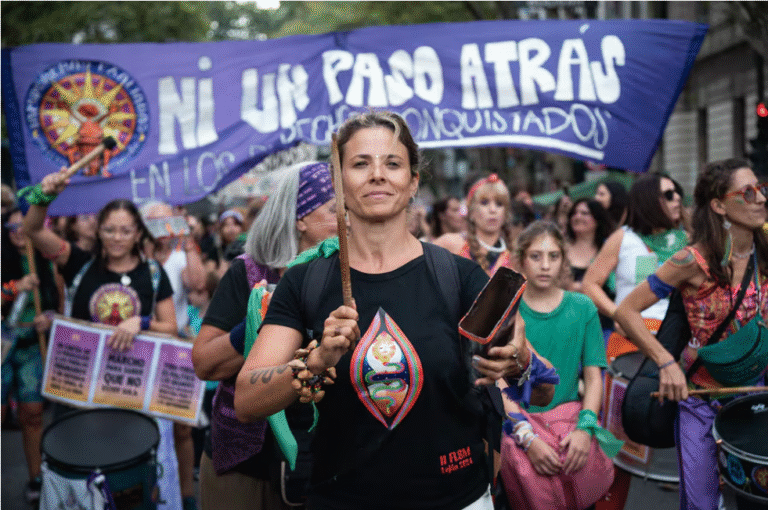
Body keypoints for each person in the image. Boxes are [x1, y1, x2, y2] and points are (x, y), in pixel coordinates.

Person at [234, 111, 555, 510]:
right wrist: (316, 361)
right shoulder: (305, 283)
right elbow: (247, 402)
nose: (377, 175)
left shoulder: (459, 277)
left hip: (457, 499)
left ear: (413, 181)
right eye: (360, 164)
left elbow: (543, 390)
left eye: (392, 163)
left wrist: (518, 359)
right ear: (338, 182)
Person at [615, 158, 768, 510]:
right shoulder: (691, 261)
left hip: (754, 397)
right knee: (701, 505)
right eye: (748, 192)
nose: (761, 198)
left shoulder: (764, 256)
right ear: (719, 206)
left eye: (761, 189)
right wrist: (665, 362)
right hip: (700, 399)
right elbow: (626, 311)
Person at [22, 174, 180, 508]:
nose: (117, 237)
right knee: (82, 477)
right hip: (80, 393)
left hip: (131, 394)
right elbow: (33, 230)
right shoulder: (79, 262)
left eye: (125, 230)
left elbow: (172, 327)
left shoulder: (153, 273)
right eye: (109, 230)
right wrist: (44, 196)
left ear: (138, 233)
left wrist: (142, 322)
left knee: (127, 481)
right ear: (99, 231)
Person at [192, 161, 336, 510]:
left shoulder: (352, 276)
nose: (349, 219)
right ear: (300, 218)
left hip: (326, 461)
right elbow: (205, 363)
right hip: (246, 463)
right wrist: (264, 317)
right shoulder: (250, 272)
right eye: (335, 210)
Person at [499, 221, 621, 510]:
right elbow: (499, 380)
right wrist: (526, 437)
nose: (545, 265)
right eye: (535, 256)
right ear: (520, 260)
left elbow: (593, 376)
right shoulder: (507, 309)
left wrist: (585, 429)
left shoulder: (583, 307)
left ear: (564, 261)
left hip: (570, 430)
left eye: (553, 256)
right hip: (519, 429)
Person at [141, 200, 207, 510]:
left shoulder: (180, 256)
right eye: (155, 222)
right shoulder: (137, 259)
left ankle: (186, 494)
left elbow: (198, 284)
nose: (162, 229)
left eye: (167, 222)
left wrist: (189, 242)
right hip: (142, 348)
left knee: (182, 427)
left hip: (174, 347)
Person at [582, 173, 688, 361]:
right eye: (669, 194)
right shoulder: (623, 238)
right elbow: (590, 284)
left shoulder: (687, 240)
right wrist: (618, 315)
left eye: (677, 192)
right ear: (648, 200)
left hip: (678, 341)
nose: (677, 198)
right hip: (630, 343)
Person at [2, 208, 59, 506]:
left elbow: (59, 303)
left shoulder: (45, 261)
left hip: (32, 346)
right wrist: (14, 288)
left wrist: (48, 318)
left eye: (23, 226)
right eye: (11, 227)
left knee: (33, 413)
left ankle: (36, 478)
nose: (18, 232)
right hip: (2, 347)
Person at [434, 173, 514, 276]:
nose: (492, 210)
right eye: (484, 203)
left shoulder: (516, 257)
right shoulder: (451, 243)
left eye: (499, 204)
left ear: (506, 213)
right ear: (471, 212)